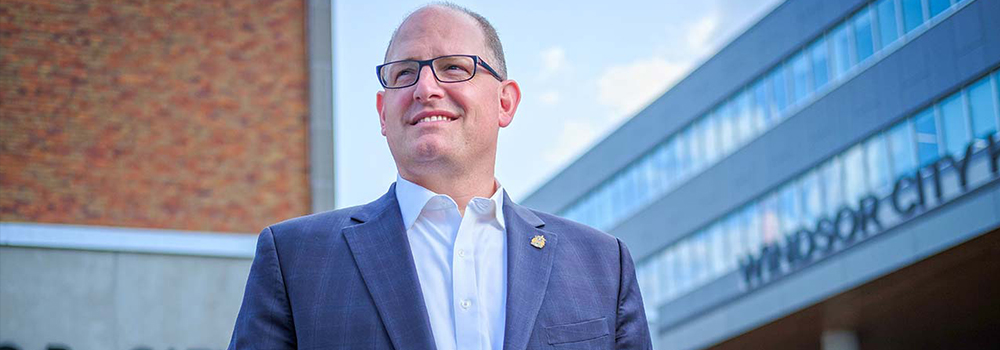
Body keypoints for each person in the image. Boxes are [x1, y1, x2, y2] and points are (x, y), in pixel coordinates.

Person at [228, 3, 652, 349]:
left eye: (453, 68)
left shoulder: (602, 264)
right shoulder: (295, 259)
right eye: (404, 73)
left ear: (505, 102)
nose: (425, 88)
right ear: (382, 113)